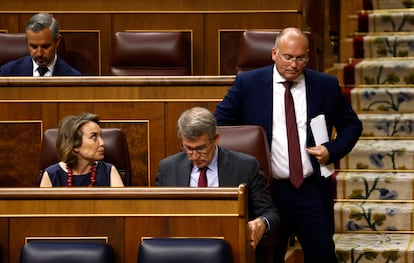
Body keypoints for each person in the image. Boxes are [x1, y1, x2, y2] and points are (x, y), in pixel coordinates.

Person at [215, 27, 363, 263]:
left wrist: (331, 150)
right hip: (268, 192)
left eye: (300, 58)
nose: (294, 64)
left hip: (311, 189)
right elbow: (219, 126)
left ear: (308, 57)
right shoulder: (248, 84)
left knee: (323, 256)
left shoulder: (325, 85)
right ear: (274, 53)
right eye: (288, 57)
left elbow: (352, 126)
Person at [155, 106, 280, 262]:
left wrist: (262, 223)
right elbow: (157, 218)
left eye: (201, 148)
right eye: (188, 148)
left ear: (215, 139)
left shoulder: (245, 166)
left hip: (229, 249)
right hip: (182, 248)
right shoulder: (168, 168)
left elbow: (271, 215)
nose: (194, 156)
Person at [40, 112, 124, 187]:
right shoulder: (52, 175)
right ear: (74, 145)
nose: (102, 143)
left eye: (101, 136)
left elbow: (120, 204)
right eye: (94, 137)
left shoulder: (109, 171)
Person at [0, 13, 81, 76]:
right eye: (34, 47)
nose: (39, 53)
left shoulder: (73, 77)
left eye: (45, 47)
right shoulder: (7, 72)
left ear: (57, 42)